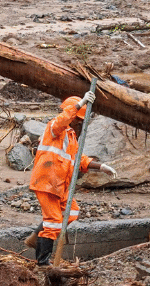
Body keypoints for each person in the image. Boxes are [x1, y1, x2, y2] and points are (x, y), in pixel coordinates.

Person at [28, 94, 116, 265]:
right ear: (74, 118)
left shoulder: (71, 138)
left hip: (60, 186)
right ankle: (43, 262)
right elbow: (62, 120)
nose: (82, 125)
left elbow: (79, 160)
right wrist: (79, 104)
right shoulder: (54, 129)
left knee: (72, 211)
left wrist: (101, 166)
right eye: (80, 121)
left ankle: (37, 236)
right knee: (53, 222)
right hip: (47, 183)